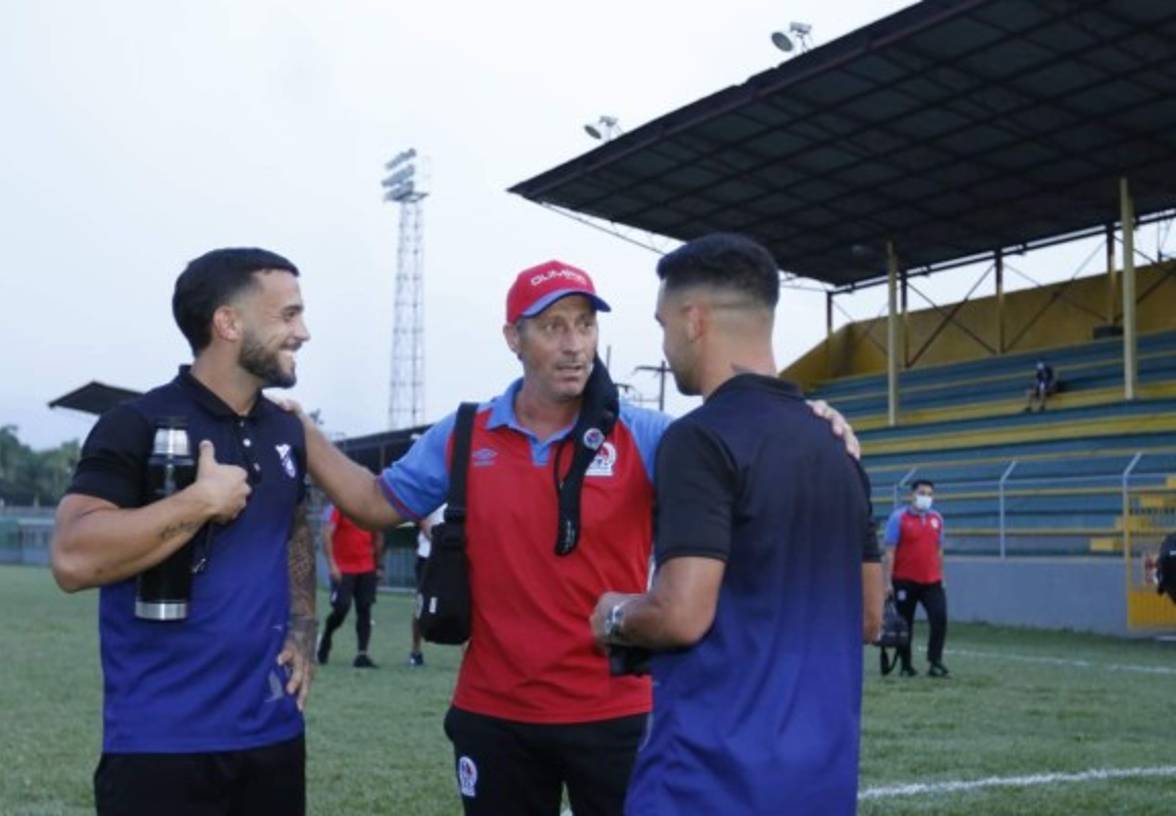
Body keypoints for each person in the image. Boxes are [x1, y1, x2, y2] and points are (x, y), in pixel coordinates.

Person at [284, 259, 860, 816]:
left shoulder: (651, 435)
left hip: (617, 713)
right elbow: (373, 503)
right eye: (553, 326)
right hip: (495, 713)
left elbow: (744, 451)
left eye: (586, 325)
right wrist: (304, 433)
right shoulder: (466, 433)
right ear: (514, 337)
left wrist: (809, 422)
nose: (575, 344)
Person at [589, 233, 879, 815]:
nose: (665, 345)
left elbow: (680, 615)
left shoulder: (699, 438)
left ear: (695, 320)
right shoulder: (837, 444)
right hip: (820, 784)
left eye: (665, 324)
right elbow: (871, 617)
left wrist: (614, 614)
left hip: (708, 781)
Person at [50, 247, 316, 816]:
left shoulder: (286, 430)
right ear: (228, 323)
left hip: (272, 734)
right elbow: (73, 559)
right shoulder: (136, 423)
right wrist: (199, 502)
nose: (304, 332)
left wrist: (304, 628)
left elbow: (293, 528)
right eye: (288, 316)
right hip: (160, 743)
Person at [883, 478, 949, 678]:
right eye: (922, 493)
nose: (926, 497)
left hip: (932, 581)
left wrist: (942, 576)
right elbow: (889, 552)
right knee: (905, 624)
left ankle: (935, 661)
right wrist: (887, 582)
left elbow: (939, 551)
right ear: (912, 495)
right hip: (904, 580)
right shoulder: (898, 518)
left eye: (930, 494)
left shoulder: (937, 519)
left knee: (940, 618)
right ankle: (906, 665)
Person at [317, 504, 384, 668]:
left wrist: (378, 565)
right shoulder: (340, 507)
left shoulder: (369, 508)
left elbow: (378, 536)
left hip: (366, 567)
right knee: (341, 607)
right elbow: (327, 535)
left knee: (365, 608)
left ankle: (362, 654)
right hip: (343, 569)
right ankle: (327, 635)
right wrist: (332, 565)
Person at [408, 506, 443, 668]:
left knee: (463, 602)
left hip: (453, 556)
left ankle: (466, 655)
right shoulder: (434, 488)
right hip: (427, 556)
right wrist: (439, 544)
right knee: (421, 605)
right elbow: (422, 519)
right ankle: (415, 651)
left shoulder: (461, 492)